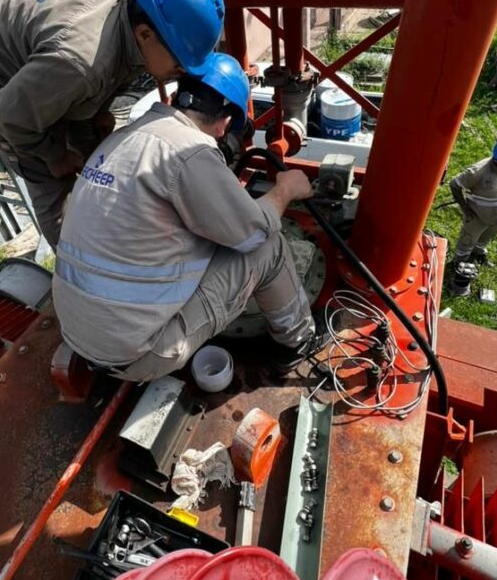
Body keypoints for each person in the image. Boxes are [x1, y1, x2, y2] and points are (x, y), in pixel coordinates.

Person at [52, 53, 325, 382]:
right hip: (139, 353)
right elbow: (254, 232)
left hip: (79, 333)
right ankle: (297, 343)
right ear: (224, 122)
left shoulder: (125, 137)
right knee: (268, 247)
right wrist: (285, 191)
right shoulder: (190, 151)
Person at [0, 0, 225, 247]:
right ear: (145, 34)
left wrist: (99, 110)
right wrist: (53, 155)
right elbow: (8, 118)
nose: (180, 73)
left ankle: (110, 225)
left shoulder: (144, 10)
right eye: (180, 64)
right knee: (49, 177)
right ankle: (78, 266)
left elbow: (109, 68)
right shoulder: (80, 62)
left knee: (96, 149)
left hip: (50, 53)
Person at [449, 136, 497, 265]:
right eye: (496, 160)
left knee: (488, 236)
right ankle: (459, 262)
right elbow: (454, 184)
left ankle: (478, 252)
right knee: (468, 240)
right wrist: (465, 208)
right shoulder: (477, 172)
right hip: (477, 215)